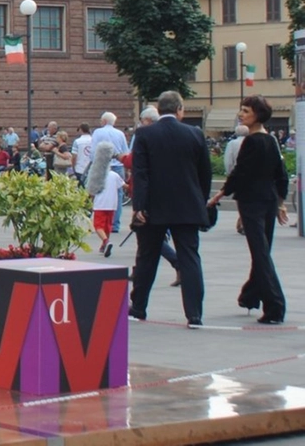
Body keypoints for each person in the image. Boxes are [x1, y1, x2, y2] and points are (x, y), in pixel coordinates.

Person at [129, 91, 211, 328]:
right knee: (190, 258)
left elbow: (141, 173)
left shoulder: (145, 134)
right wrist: (201, 200)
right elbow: (204, 173)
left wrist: (139, 207)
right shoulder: (194, 134)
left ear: (158, 109)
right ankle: (194, 314)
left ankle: (139, 306)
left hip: (154, 206)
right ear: (180, 109)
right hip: (188, 206)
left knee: (147, 257)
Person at [209, 96, 289, 324]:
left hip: (252, 202)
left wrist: (219, 194)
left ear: (257, 115)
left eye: (246, 111)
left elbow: (240, 173)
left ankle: (275, 307)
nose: (241, 114)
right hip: (269, 200)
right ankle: (250, 295)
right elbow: (280, 174)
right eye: (241, 110)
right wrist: (280, 202)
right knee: (263, 249)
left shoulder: (251, 142)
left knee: (260, 253)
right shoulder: (271, 140)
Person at [86, 141, 125, 257]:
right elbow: (123, 186)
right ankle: (105, 244)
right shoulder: (114, 175)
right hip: (112, 204)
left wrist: (89, 200)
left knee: (98, 225)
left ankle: (106, 241)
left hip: (100, 204)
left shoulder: (96, 175)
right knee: (108, 226)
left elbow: (91, 190)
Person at [223, 125, 250, 234]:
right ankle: (243, 221)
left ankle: (243, 221)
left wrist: (229, 174)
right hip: (251, 176)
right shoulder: (252, 141)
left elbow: (228, 161)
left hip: (237, 175)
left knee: (241, 200)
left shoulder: (232, 144)